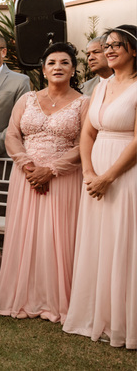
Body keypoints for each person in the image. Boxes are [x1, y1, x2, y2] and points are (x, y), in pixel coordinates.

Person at [0, 42, 88, 322]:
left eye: (64, 63)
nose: (57, 67)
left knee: (57, 236)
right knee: (25, 235)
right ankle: (23, 296)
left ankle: (58, 300)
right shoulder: (27, 100)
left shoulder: (84, 103)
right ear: (43, 70)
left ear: (73, 70)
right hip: (26, 177)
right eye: (52, 63)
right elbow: (11, 135)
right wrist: (28, 165)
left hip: (64, 178)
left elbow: (86, 143)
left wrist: (52, 169)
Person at [63, 25, 137, 349]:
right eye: (106, 45)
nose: (109, 50)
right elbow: (87, 133)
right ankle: (100, 316)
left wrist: (109, 177)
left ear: (134, 50)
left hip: (126, 173)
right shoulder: (101, 86)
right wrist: (90, 172)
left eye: (116, 45)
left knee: (124, 242)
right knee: (100, 241)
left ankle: (125, 322)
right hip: (95, 174)